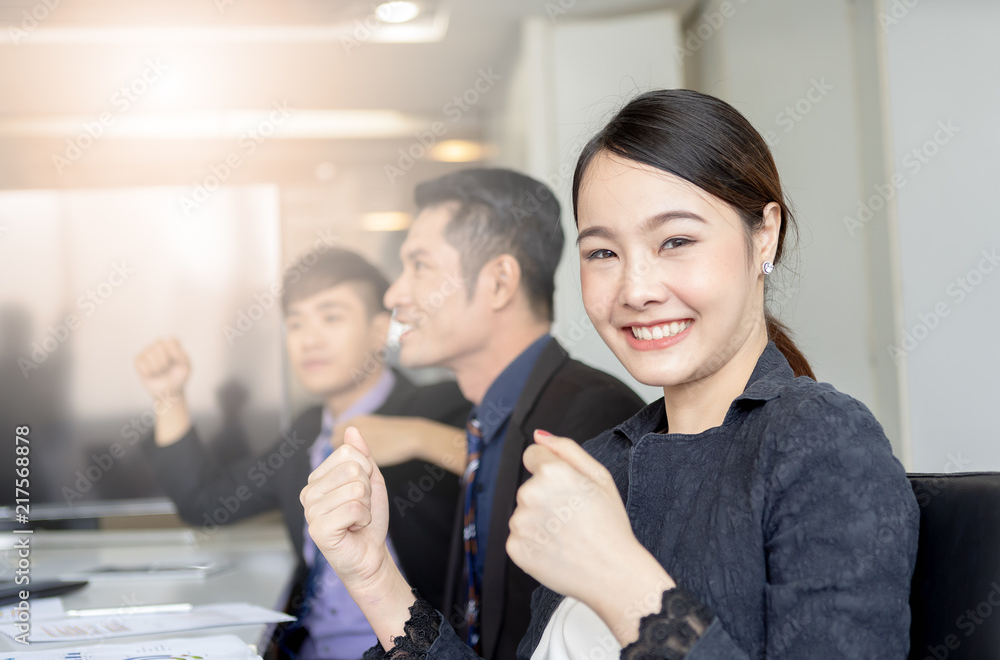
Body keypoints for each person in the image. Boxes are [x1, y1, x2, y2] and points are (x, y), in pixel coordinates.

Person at [300, 90, 920, 659]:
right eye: (602, 253)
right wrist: (372, 574)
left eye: (675, 241)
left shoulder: (820, 443)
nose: (636, 289)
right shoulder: (602, 461)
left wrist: (619, 579)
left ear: (765, 235)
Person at [322, 168, 645, 659]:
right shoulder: (484, 421)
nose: (395, 295)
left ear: (498, 282)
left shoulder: (591, 419)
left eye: (421, 266)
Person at [134, 247, 471, 660]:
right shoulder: (306, 433)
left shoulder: (439, 406)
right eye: (296, 323)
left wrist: (416, 437)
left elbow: (508, 470)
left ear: (378, 330)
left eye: (331, 317)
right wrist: (169, 396)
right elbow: (205, 501)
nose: (309, 339)